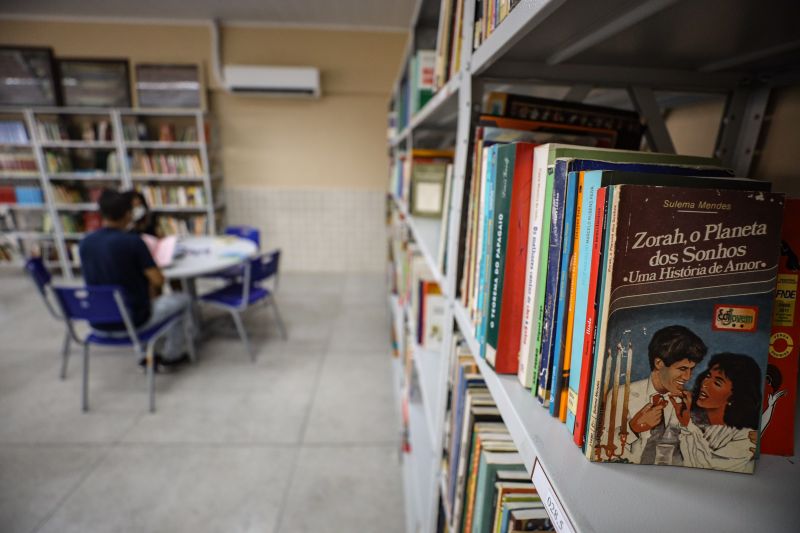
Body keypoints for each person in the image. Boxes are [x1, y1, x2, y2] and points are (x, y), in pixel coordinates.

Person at [79, 189, 190, 370]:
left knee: (134, 300)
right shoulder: (133, 242)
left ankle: (145, 355)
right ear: (128, 214)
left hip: (97, 322)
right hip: (133, 321)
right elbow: (158, 281)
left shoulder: (86, 243)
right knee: (182, 300)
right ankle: (172, 355)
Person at [598, 325, 707, 464]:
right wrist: (633, 429)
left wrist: (687, 424)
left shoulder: (690, 402)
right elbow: (602, 453)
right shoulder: (621, 395)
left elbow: (702, 459)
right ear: (659, 363)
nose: (687, 377)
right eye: (682, 368)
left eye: (692, 369)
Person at [670, 353, 761, 473]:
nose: (705, 384)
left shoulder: (745, 437)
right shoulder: (687, 416)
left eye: (717, 383)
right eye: (708, 376)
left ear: (734, 397)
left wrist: (687, 425)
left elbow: (704, 466)